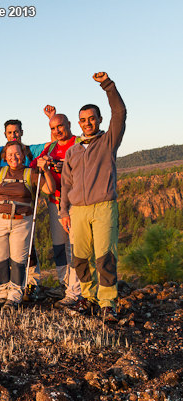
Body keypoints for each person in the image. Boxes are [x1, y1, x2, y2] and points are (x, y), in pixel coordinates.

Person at [60, 72, 126, 322]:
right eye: (83, 120)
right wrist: (63, 212)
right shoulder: (73, 151)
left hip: (104, 207)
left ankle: (108, 303)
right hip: (78, 211)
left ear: (99, 120)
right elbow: (66, 184)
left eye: (91, 119)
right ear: (79, 123)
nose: (87, 123)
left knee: (105, 257)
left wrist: (108, 86)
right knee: (79, 259)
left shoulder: (108, 141)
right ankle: (87, 298)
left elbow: (120, 113)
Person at [0, 110, 51, 301]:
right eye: (10, 133)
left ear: (21, 132)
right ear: (5, 136)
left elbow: (51, 144)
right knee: (6, 253)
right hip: (4, 209)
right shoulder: (0, 154)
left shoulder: (31, 150)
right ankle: (10, 289)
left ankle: (30, 284)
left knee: (26, 250)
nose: (13, 135)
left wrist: (51, 120)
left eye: (16, 132)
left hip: (25, 207)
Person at [0, 141, 55, 310]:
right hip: (0, 219)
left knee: (18, 260)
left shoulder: (31, 173)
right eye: (10, 154)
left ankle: (14, 296)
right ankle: (2, 294)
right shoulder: (1, 172)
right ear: (5, 156)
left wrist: (46, 171)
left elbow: (49, 189)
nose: (14, 157)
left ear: (24, 155)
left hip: (22, 221)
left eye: (17, 154)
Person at [29, 106, 83, 308]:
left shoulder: (79, 143)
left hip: (77, 202)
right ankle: (63, 284)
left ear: (69, 125)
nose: (57, 130)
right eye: (53, 128)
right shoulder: (51, 148)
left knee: (76, 246)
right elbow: (34, 164)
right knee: (59, 246)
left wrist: (67, 167)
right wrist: (44, 163)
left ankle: (76, 290)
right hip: (55, 201)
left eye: (60, 126)